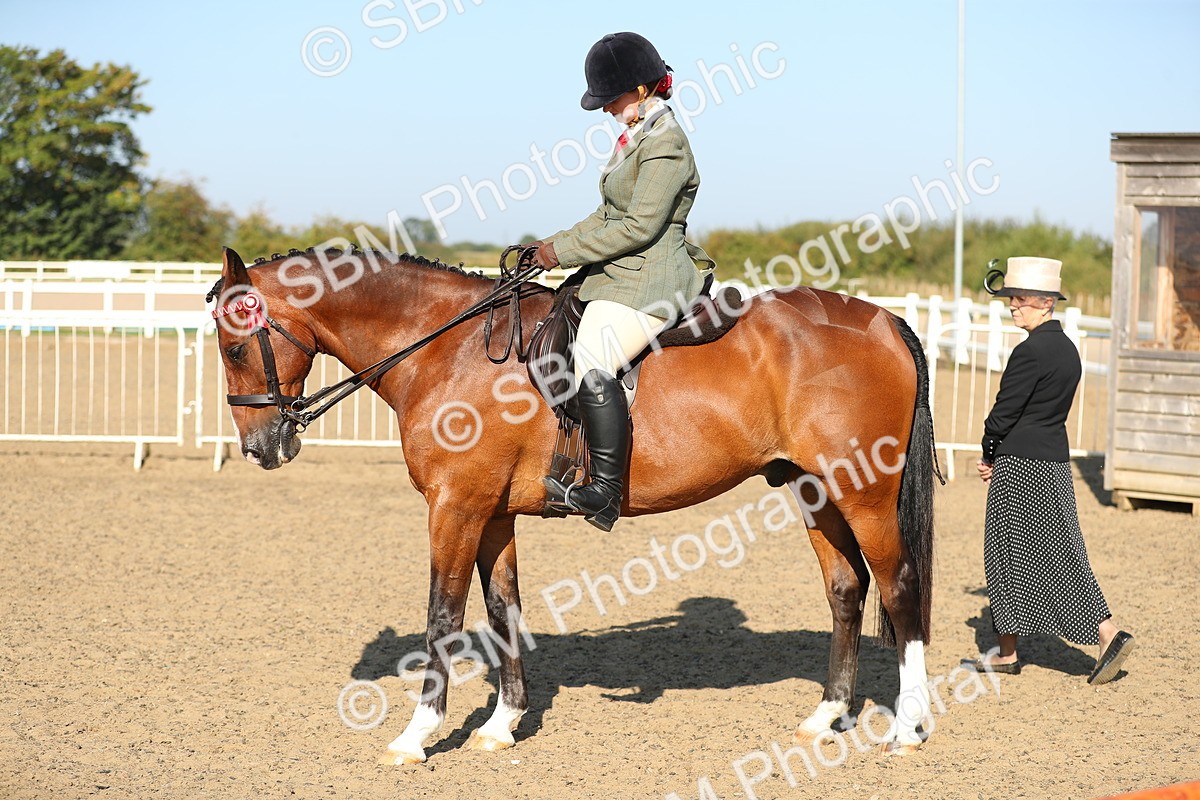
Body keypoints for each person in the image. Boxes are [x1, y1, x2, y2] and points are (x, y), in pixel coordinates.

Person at [531, 32, 714, 532]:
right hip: (624, 272)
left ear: (640, 88)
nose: (607, 109)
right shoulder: (637, 138)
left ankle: (605, 493)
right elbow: (606, 214)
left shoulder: (667, 144)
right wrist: (547, 248)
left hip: (656, 276)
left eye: (611, 99)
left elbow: (639, 227)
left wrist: (561, 253)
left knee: (593, 355)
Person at [962, 257, 1134, 685]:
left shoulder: (1030, 352)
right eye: (1010, 299)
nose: (1011, 306)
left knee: (1006, 554)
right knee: (1059, 548)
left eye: (1018, 299)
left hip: (1020, 466)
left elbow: (1003, 414)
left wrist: (989, 452)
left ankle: (1103, 631)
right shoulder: (1068, 350)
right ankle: (1013, 651)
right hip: (1053, 461)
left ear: (1044, 303)